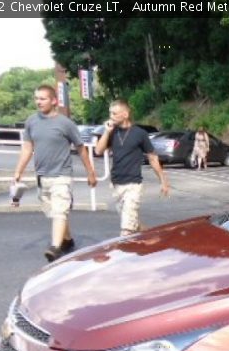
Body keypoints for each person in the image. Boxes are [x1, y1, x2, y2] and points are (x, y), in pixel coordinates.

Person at [13, 84, 97, 262]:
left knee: (59, 211)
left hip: (62, 175)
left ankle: (55, 248)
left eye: (42, 98)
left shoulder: (65, 123)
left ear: (54, 101)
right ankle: (67, 240)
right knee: (54, 212)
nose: (38, 102)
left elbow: (81, 148)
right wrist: (18, 171)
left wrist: (90, 172)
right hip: (42, 176)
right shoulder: (31, 122)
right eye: (36, 98)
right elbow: (27, 148)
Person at [95, 99, 170, 236]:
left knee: (126, 229)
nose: (111, 116)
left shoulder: (140, 133)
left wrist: (163, 180)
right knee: (132, 221)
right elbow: (98, 151)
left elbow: (153, 158)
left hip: (133, 184)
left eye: (114, 113)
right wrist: (106, 132)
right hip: (116, 183)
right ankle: (150, 237)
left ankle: (125, 247)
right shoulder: (112, 132)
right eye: (110, 113)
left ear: (125, 114)